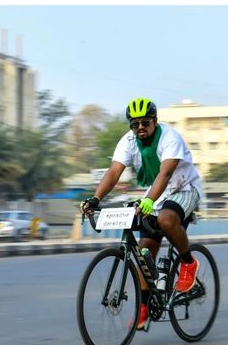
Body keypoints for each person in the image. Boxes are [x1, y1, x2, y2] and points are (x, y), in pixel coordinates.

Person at [81, 97, 203, 329]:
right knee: (145, 248)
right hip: (156, 193)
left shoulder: (170, 138)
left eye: (145, 123)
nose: (140, 128)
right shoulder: (128, 141)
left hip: (184, 187)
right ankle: (145, 307)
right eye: (134, 124)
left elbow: (165, 174)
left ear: (155, 121)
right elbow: (114, 171)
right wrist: (95, 199)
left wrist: (148, 200)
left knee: (167, 220)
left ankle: (188, 263)